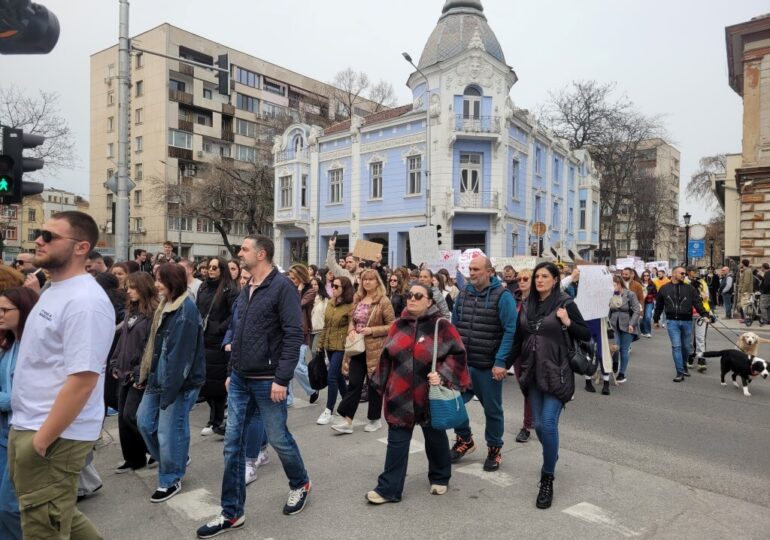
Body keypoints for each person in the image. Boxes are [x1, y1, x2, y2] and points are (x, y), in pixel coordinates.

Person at [9, 211, 115, 539]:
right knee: (57, 516)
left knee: (44, 528)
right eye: (40, 233)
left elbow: (83, 380)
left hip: (52, 433)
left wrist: (42, 439)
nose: (38, 240)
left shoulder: (85, 301)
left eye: (50, 236)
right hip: (30, 422)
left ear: (81, 247)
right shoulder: (54, 289)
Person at [197, 235, 310, 539]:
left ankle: (300, 483)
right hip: (241, 379)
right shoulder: (247, 289)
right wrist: (233, 370)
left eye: (244, 249)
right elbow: (239, 333)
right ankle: (232, 513)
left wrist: (282, 379)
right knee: (233, 445)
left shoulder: (282, 287)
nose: (239, 253)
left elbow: (293, 335)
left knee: (278, 437)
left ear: (261, 254)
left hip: (268, 380)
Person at [366, 282, 469, 503]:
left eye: (418, 296)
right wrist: (379, 385)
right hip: (400, 395)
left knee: (435, 437)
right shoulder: (397, 325)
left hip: (429, 395)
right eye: (409, 295)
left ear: (430, 301)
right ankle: (388, 489)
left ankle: (440, 476)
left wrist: (442, 374)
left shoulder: (441, 326)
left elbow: (458, 354)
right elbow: (386, 357)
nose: (412, 299)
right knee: (397, 442)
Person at [511, 262, 590, 509]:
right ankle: (551, 454)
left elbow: (585, 334)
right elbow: (517, 339)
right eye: (537, 276)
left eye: (545, 276)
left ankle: (547, 477)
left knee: (547, 423)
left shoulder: (565, 303)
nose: (539, 280)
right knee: (541, 428)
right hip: (532, 372)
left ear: (556, 279)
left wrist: (567, 321)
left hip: (557, 373)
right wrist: (501, 363)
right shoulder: (527, 306)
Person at [137, 263, 206, 503]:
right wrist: (144, 375)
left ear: (172, 282)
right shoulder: (165, 306)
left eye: (160, 280)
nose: (156, 284)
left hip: (178, 383)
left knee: (169, 431)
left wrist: (170, 391)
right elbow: (154, 347)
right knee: (144, 422)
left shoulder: (186, 311)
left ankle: (170, 478)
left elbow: (181, 359)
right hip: (158, 376)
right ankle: (176, 457)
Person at [449, 256, 517, 472]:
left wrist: (500, 361)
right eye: (470, 268)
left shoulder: (502, 296)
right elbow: (455, 324)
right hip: (464, 364)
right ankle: (465, 440)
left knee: (492, 410)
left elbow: (510, 330)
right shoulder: (464, 292)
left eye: (476, 269)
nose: (472, 272)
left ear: (489, 271)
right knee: (453, 404)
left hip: (488, 366)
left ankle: (494, 449)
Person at [331, 269, 396, 434]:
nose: (367, 282)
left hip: (375, 348)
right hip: (357, 346)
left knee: (374, 385)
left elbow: (392, 325)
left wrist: (372, 330)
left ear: (377, 282)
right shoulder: (357, 298)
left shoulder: (383, 301)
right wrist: (352, 329)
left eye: (370, 279)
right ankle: (347, 420)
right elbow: (352, 319)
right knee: (354, 383)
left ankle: (374, 419)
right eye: (364, 279)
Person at [0, 287, 39, 540]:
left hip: (23, 433)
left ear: (23, 311)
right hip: (5, 434)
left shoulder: (32, 347)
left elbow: (23, 396)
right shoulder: (10, 344)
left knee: (11, 506)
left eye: (5, 310)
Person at [110, 272, 158, 473]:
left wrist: (141, 371)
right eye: (127, 287)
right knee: (123, 418)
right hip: (123, 371)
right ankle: (133, 458)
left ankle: (156, 450)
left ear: (144, 288)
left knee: (132, 416)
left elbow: (152, 346)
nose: (127, 291)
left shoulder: (154, 313)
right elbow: (123, 341)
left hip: (140, 373)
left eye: (132, 287)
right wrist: (114, 361)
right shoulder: (131, 311)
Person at [197, 257, 238, 437]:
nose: (210, 270)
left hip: (218, 341)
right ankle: (215, 418)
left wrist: (219, 328)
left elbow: (234, 315)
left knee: (217, 384)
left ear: (222, 269)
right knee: (206, 383)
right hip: (203, 339)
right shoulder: (204, 287)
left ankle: (216, 419)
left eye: (215, 267)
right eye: (208, 267)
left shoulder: (230, 289)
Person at [653, 266, 713, 382]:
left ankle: (684, 365)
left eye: (684, 274)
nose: (684, 275)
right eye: (682, 273)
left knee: (686, 347)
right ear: (674, 274)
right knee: (676, 346)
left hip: (687, 321)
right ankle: (679, 372)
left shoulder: (690, 289)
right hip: (672, 322)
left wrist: (705, 315)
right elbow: (659, 306)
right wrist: (656, 320)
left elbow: (697, 303)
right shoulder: (664, 289)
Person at [316, 276, 354, 426]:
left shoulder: (350, 306)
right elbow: (327, 326)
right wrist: (320, 343)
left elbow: (352, 328)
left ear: (345, 289)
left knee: (331, 376)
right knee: (337, 377)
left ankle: (329, 410)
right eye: (333, 285)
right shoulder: (331, 303)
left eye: (337, 286)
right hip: (329, 345)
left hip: (342, 346)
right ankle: (347, 406)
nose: (333, 288)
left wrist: (348, 348)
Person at [286, 264, 319, 405]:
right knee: (286, 366)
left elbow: (296, 305)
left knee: (297, 366)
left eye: (294, 278)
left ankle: (312, 388)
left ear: (300, 278)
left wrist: (298, 291)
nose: (291, 280)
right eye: (290, 277)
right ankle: (287, 399)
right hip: (286, 330)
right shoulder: (287, 289)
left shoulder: (309, 291)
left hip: (302, 332)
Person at [509, 268, 534, 442]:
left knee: (534, 388)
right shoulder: (513, 299)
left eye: (526, 278)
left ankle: (527, 425)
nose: (522, 281)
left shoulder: (540, 301)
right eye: (520, 279)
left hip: (535, 350)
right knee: (525, 388)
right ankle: (533, 420)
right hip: (517, 351)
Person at [608, 275, 640, 384]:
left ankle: (622, 373)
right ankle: (615, 363)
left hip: (627, 324)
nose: (612, 287)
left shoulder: (630, 294)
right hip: (613, 324)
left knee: (624, 350)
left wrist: (632, 324)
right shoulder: (610, 294)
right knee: (614, 346)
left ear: (620, 284)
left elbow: (636, 310)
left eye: (614, 285)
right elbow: (607, 310)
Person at [686, 266, 713, 373]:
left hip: (701, 313)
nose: (696, 273)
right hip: (688, 314)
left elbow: (707, 296)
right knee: (689, 338)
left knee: (700, 338)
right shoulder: (684, 281)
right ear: (688, 272)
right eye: (694, 272)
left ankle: (701, 359)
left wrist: (698, 293)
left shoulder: (702, 282)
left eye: (697, 272)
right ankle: (690, 356)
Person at [309, 276, 329, 353]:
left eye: (315, 284)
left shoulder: (325, 300)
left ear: (319, 285)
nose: (313, 286)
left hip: (320, 329)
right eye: (311, 285)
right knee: (311, 353)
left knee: (315, 352)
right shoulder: (308, 299)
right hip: (310, 330)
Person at [639, 270, 656, 338]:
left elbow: (655, 293)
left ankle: (648, 332)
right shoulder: (639, 284)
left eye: (647, 275)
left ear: (649, 276)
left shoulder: (652, 284)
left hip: (649, 302)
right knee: (641, 318)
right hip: (641, 302)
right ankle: (643, 331)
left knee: (648, 316)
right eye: (644, 275)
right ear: (642, 276)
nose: (646, 277)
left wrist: (653, 299)